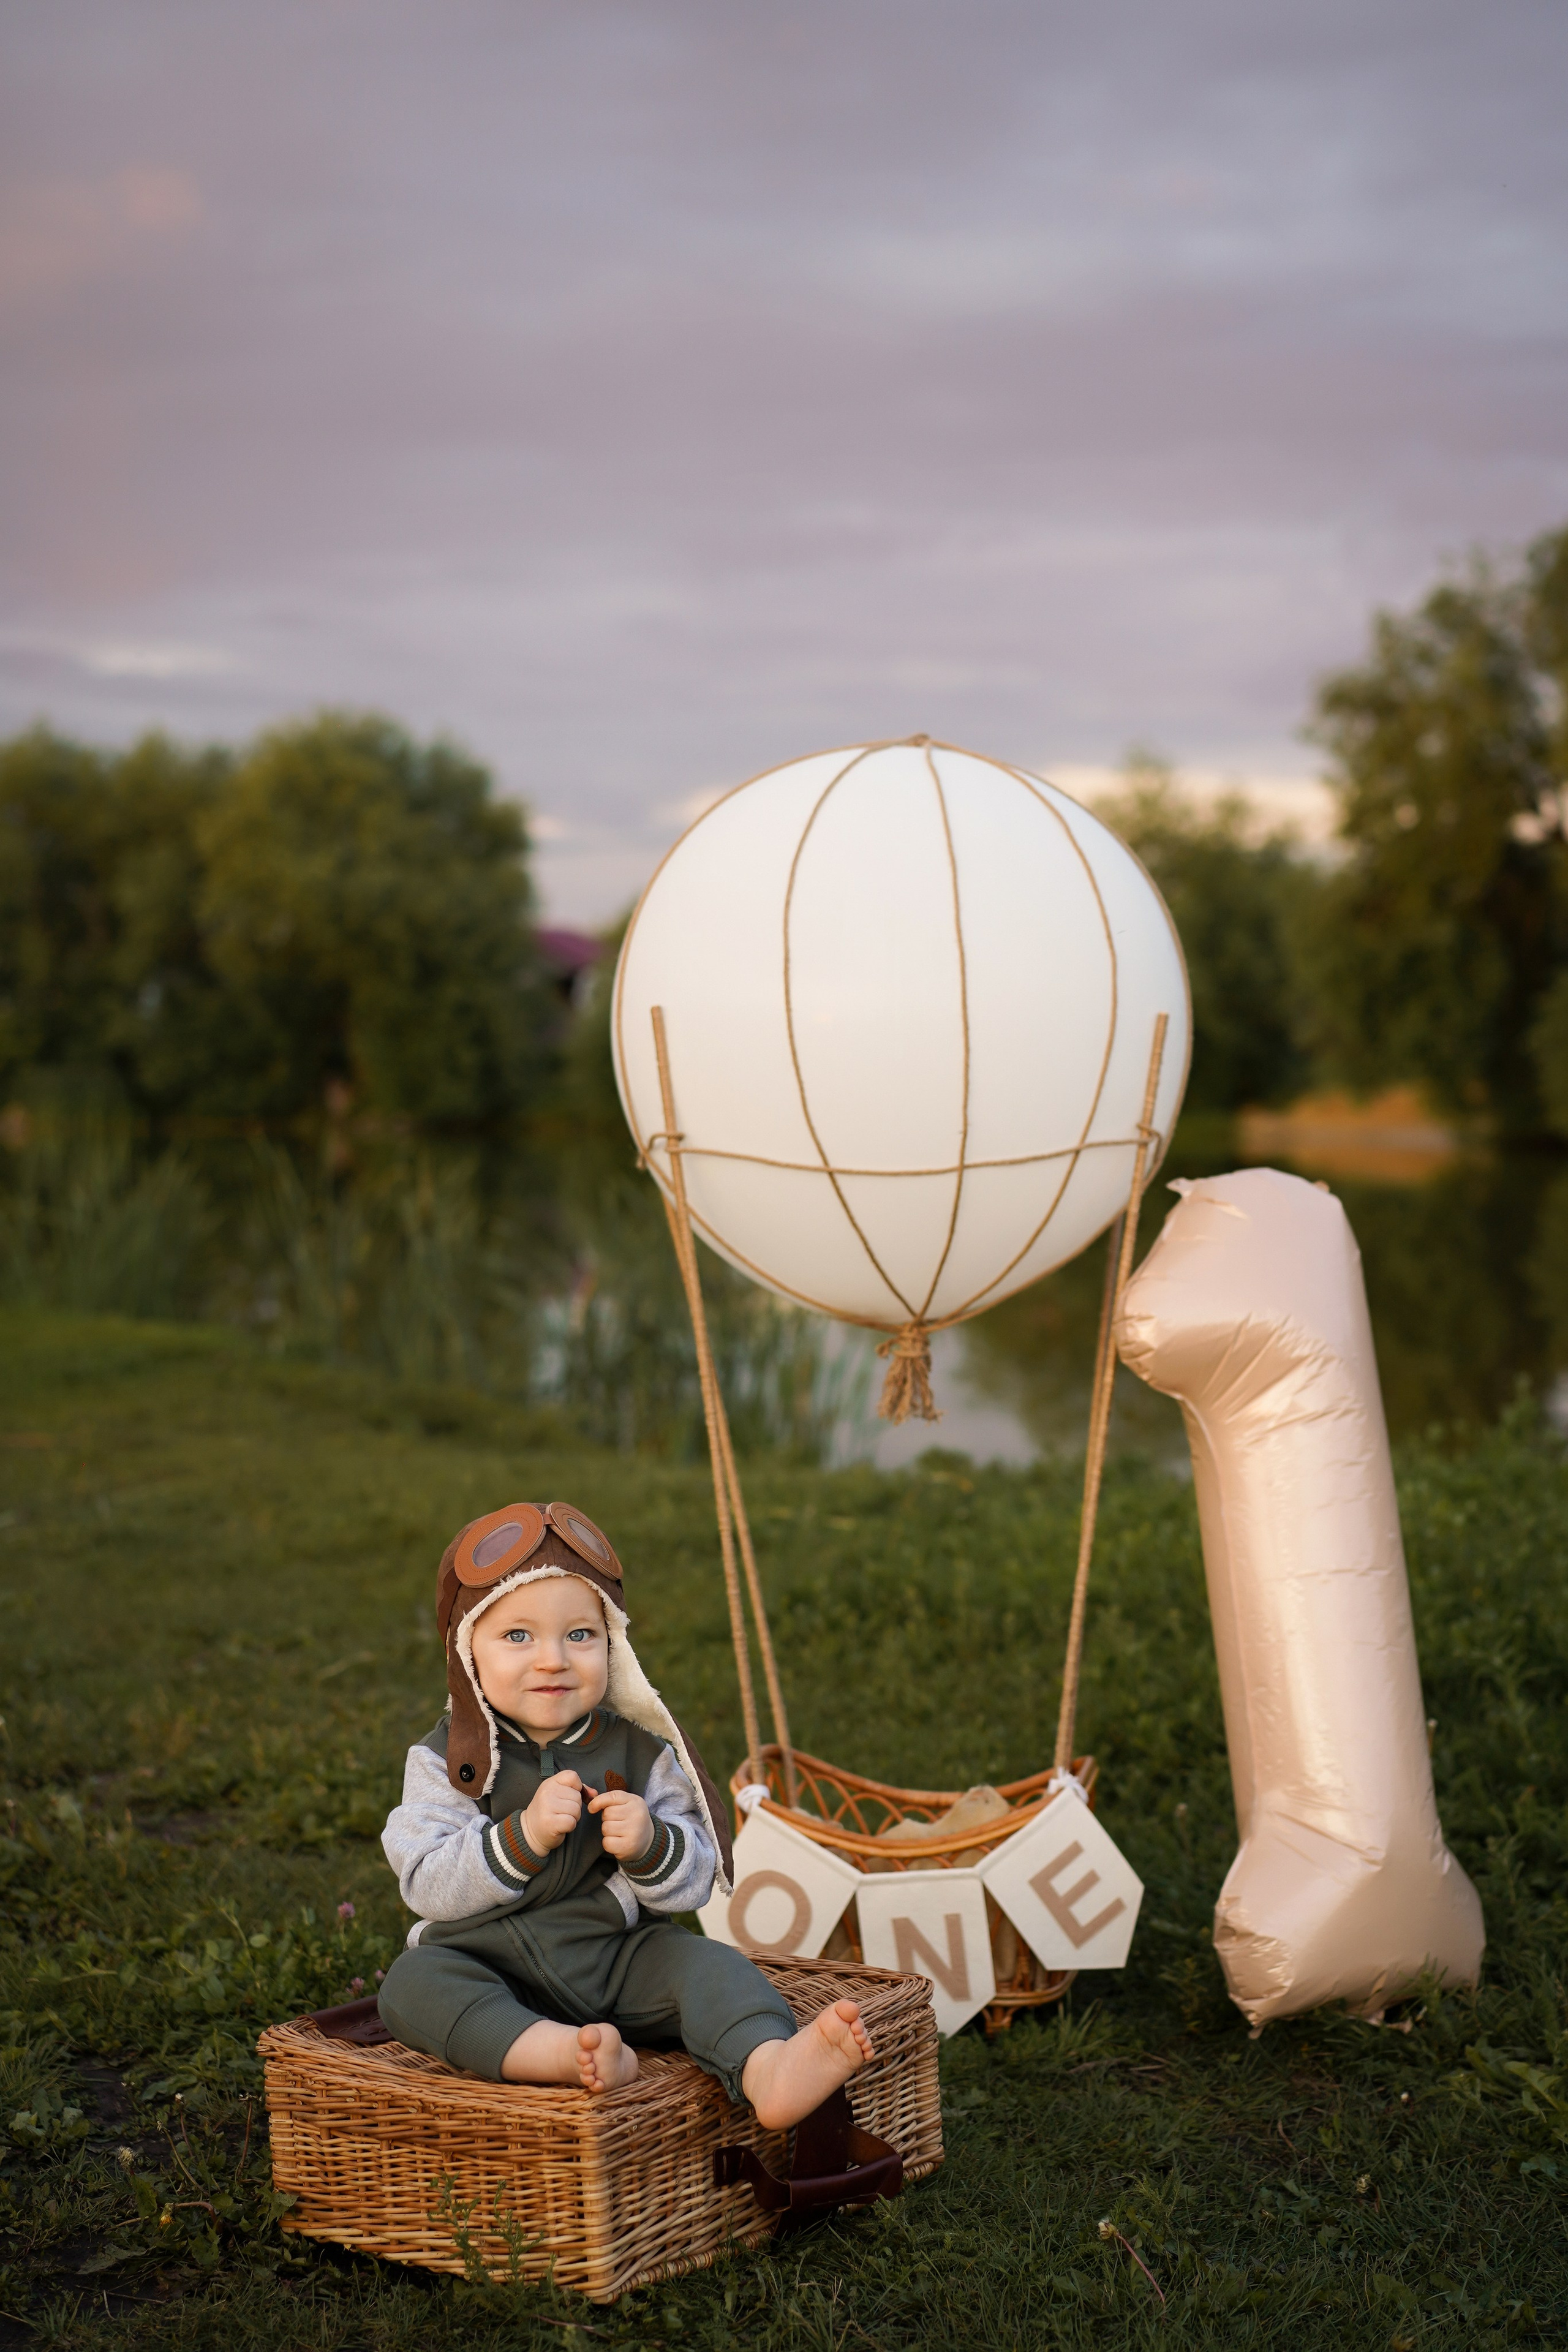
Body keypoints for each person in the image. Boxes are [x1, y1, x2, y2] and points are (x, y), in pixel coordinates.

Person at [377, 1499, 872, 2127]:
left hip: (612, 1957)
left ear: (612, 1644)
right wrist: (521, 1837)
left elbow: (692, 1881)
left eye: (579, 1634)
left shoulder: (640, 1753)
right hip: (484, 1961)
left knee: (707, 1963)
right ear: (467, 1651)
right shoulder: (446, 1760)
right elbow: (424, 1880)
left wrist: (649, 1843)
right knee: (413, 1985)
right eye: (518, 1636)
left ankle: (768, 2065)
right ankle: (554, 2052)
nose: (553, 1658)